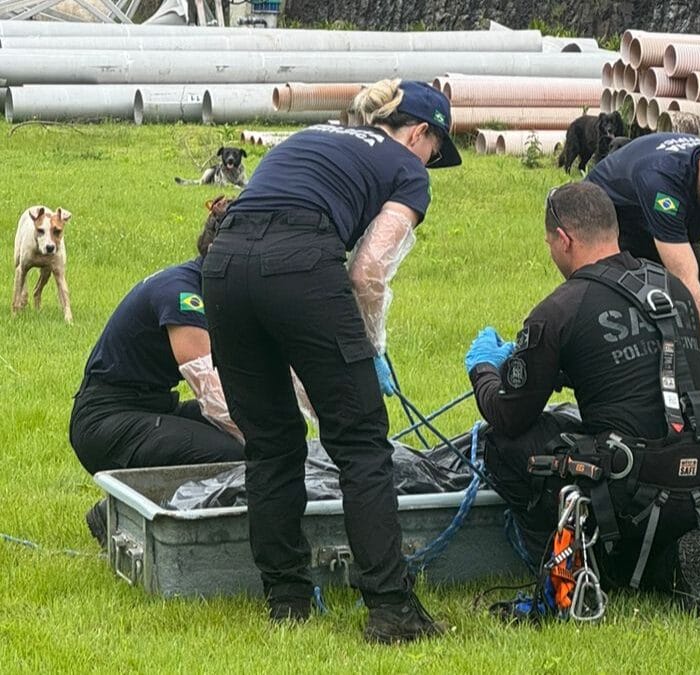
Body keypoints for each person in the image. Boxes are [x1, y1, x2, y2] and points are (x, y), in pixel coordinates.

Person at [202, 79, 460, 643]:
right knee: (362, 444)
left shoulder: (313, 136)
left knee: (271, 441)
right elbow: (367, 271)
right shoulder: (406, 167)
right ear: (420, 134)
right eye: (433, 152)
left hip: (222, 266)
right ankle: (391, 609)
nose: (428, 163)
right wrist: (371, 350)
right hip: (301, 260)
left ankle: (288, 600)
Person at [465, 182, 700, 617]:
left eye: (551, 242)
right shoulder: (673, 288)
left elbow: (509, 414)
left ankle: (573, 567)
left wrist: (484, 370)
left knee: (504, 443)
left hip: (627, 489)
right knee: (580, 424)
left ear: (564, 239)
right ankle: (674, 564)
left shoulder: (560, 309)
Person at [70, 197, 244, 546]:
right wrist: (270, 442)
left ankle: (127, 506)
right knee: (236, 454)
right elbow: (213, 394)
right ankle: (117, 513)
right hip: (107, 421)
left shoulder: (211, 287)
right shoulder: (183, 296)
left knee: (251, 436)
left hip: (149, 408)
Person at [585, 117, 700, 417]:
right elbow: (684, 281)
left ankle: (687, 418)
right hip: (613, 224)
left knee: (694, 335)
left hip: (676, 228)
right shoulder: (661, 176)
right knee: (629, 331)